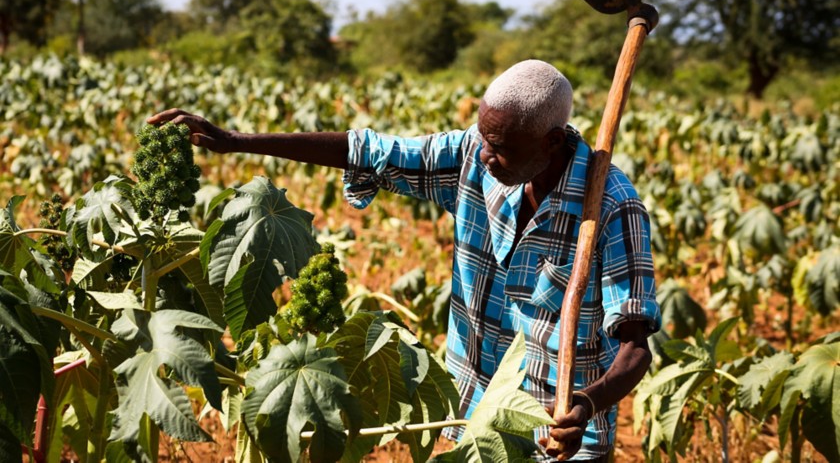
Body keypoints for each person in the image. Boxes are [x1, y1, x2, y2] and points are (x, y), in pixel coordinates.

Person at [147, 59, 661, 462]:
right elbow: (365, 150)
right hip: (473, 416)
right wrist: (236, 141)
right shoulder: (472, 156)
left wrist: (586, 404)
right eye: (482, 138)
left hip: (559, 434)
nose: (484, 156)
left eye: (499, 147)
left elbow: (635, 348)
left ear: (550, 142)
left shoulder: (613, 207)